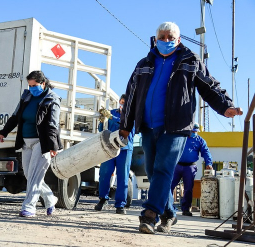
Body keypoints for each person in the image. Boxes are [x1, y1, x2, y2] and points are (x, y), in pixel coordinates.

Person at [119, 22, 243, 234]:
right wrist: (125, 126)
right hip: (149, 127)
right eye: (162, 36)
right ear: (155, 38)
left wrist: (226, 106)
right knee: (154, 172)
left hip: (176, 126)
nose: (166, 40)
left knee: (163, 169)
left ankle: (149, 215)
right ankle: (170, 214)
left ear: (178, 40)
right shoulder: (143, 64)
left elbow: (210, 85)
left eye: (170, 37)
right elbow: (131, 95)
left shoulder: (190, 60)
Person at [0, 70, 62, 217]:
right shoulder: (27, 96)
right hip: (26, 141)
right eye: (29, 85)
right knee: (29, 174)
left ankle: (29, 207)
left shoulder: (52, 99)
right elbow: (15, 116)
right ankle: (50, 198)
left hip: (43, 142)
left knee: (34, 175)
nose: (32, 88)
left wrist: (53, 146)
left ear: (43, 84)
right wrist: (4, 132)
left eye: (34, 85)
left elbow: (53, 124)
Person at [94, 94, 135, 214]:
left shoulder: (132, 116)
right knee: (105, 173)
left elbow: (126, 126)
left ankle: (120, 205)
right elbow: (102, 130)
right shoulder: (111, 113)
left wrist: (111, 117)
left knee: (123, 176)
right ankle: (102, 199)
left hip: (125, 148)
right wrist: (102, 121)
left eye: (125, 103)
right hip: (110, 148)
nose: (122, 105)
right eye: (121, 102)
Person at [171, 123, 212, 217]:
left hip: (190, 167)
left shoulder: (200, 140)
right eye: (193, 131)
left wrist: (208, 163)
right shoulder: (181, 137)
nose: (194, 133)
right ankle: (168, 207)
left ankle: (186, 209)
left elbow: (206, 152)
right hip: (176, 165)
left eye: (196, 132)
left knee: (188, 188)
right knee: (170, 186)